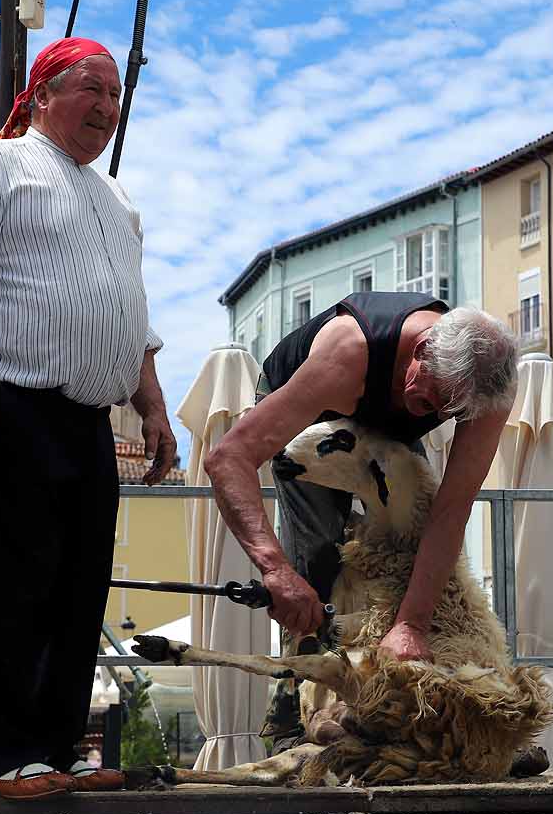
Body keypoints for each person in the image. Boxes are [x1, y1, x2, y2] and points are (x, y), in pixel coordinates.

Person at [0, 36, 176, 801]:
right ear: (39, 96)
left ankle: (56, 750)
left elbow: (134, 319)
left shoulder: (118, 198)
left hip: (89, 419)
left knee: (77, 589)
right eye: (90, 88)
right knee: (11, 586)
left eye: (115, 95)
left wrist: (153, 407)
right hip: (11, 405)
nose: (105, 107)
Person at [204, 293, 518, 746]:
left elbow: (451, 510)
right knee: (316, 556)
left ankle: (405, 715)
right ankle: (291, 720)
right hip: (310, 407)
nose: (433, 413)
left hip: (383, 425)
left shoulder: (487, 390)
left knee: (410, 558)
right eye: (430, 398)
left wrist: (410, 624)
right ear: (423, 348)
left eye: (447, 411)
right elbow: (228, 458)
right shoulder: (347, 353)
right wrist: (275, 570)